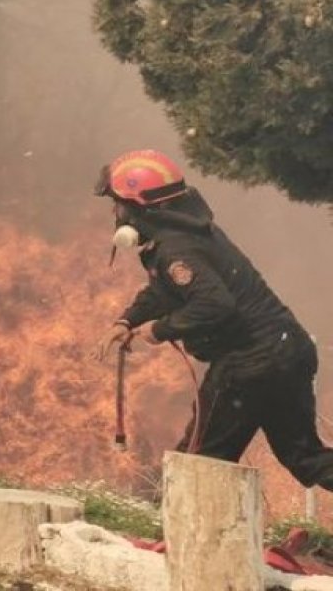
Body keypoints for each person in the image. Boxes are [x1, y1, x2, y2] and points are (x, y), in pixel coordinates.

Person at [92, 149, 333, 489]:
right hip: (287, 349)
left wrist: (159, 330)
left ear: (140, 208)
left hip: (249, 364)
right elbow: (166, 290)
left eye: (118, 204)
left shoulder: (176, 249)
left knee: (199, 464)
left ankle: (184, 539)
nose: (115, 212)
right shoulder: (187, 232)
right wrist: (127, 321)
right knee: (305, 458)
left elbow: (215, 305)